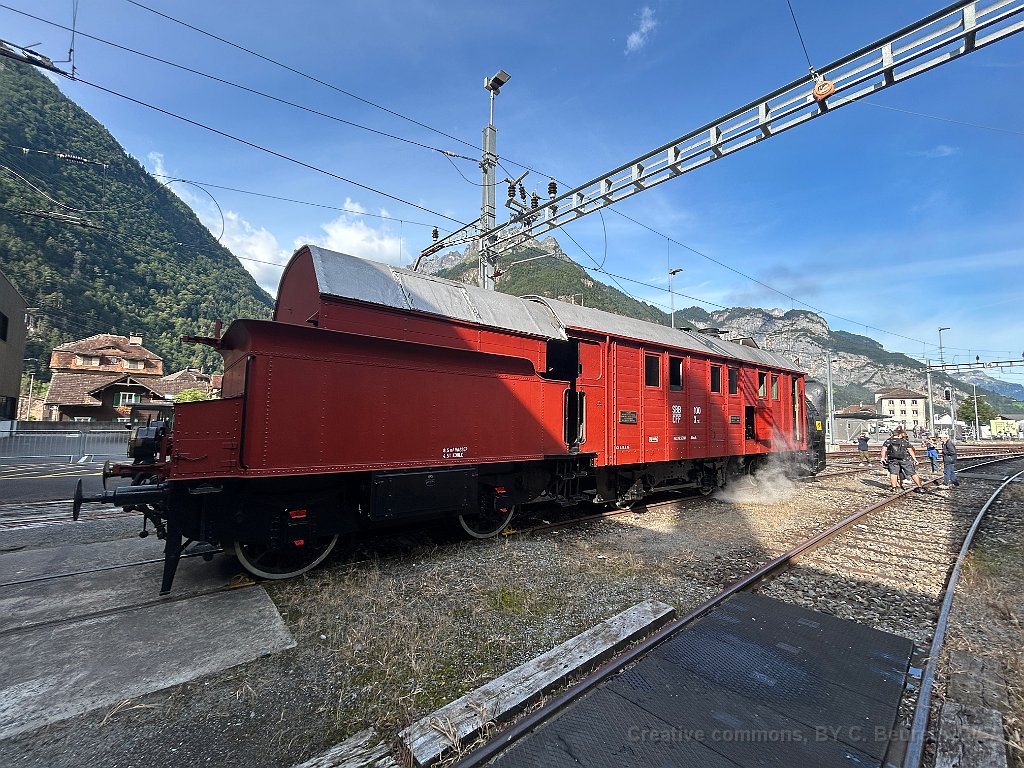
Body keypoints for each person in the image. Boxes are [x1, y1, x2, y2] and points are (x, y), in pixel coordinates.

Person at [880, 426, 926, 493]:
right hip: (905, 459)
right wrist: (914, 459)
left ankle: (894, 488)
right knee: (912, 473)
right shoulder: (904, 441)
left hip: (892, 460)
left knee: (893, 473)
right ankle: (920, 487)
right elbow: (910, 450)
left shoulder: (888, 441)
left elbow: (883, 450)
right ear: (899, 434)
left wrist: (883, 458)